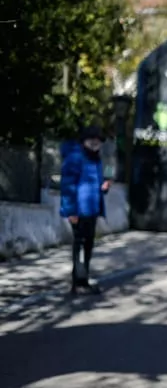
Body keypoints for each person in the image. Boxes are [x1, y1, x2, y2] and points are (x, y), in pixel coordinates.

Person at [60, 125, 110, 295]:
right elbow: (67, 186)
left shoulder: (95, 159)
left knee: (88, 246)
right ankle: (78, 283)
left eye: (98, 140)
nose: (95, 143)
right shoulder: (75, 157)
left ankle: (83, 280)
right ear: (84, 140)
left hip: (92, 210)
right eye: (91, 139)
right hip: (79, 210)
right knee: (80, 245)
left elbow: (95, 183)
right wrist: (71, 211)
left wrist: (103, 187)